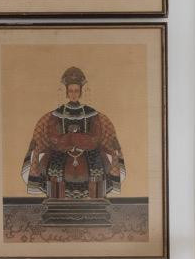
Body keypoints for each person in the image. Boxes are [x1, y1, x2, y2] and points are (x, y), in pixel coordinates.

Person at [21, 66, 125, 200]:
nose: (73, 94)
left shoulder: (91, 113)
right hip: (62, 149)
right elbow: (52, 135)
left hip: (87, 149)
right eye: (71, 91)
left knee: (97, 168)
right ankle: (56, 203)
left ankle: (96, 204)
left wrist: (79, 140)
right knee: (54, 169)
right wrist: (68, 141)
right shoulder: (57, 114)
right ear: (66, 92)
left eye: (76, 91)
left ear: (81, 92)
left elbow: (96, 135)